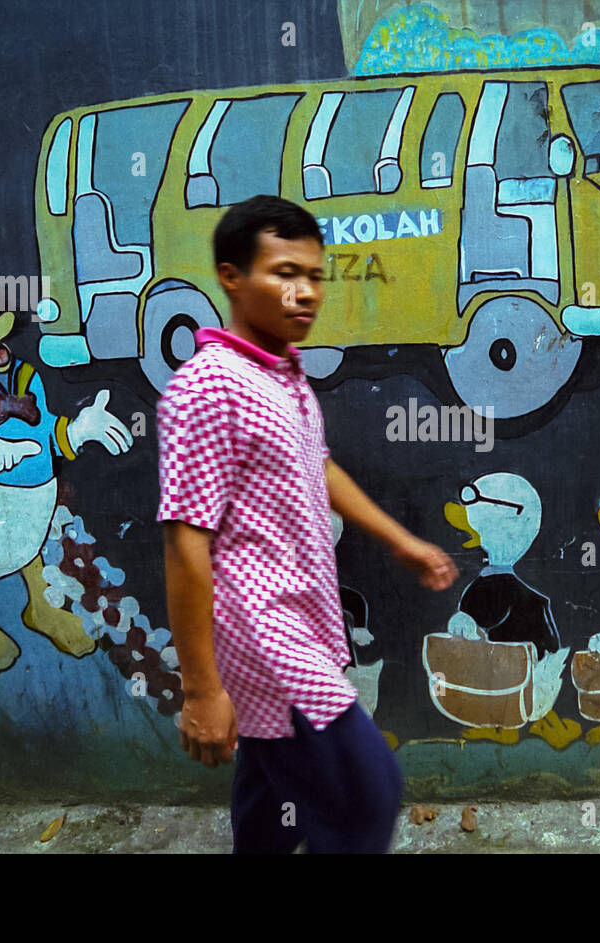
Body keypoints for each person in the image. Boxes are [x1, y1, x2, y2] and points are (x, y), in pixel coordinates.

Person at [156, 195, 458, 854]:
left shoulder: (279, 374)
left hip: (301, 621)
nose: (305, 293)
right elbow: (185, 542)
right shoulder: (208, 388)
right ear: (232, 277)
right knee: (365, 795)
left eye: (315, 276)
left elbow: (316, 466)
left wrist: (399, 540)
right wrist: (202, 688)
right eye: (284, 272)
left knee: (266, 797)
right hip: (267, 639)